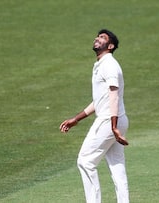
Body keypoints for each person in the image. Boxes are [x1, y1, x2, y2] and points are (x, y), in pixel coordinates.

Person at [59, 29, 130, 203]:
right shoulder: (102, 64)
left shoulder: (109, 65)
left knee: (85, 161)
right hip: (117, 119)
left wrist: (113, 126)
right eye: (98, 36)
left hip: (109, 120)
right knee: (117, 166)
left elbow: (113, 94)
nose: (97, 39)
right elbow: (100, 100)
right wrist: (76, 119)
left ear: (110, 46)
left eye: (103, 38)